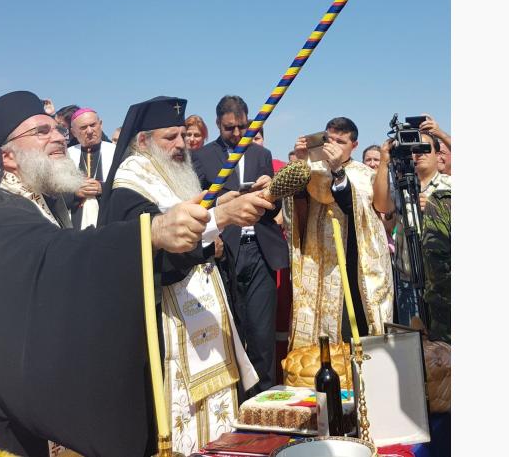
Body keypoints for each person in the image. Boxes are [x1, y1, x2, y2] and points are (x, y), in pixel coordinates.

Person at [0, 91, 214, 457]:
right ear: (7, 156)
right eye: (42, 131)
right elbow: (57, 255)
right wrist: (150, 232)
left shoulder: (36, 200)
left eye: (57, 130)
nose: (59, 137)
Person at [98, 96, 274, 455]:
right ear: (143, 141)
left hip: (201, 318)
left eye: (182, 135)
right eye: (170, 137)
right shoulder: (130, 185)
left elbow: (193, 213)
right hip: (166, 330)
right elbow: (155, 250)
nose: (181, 144)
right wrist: (223, 218)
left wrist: (226, 203)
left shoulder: (169, 172)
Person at [192, 95, 283, 395]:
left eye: (242, 127)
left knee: (261, 333)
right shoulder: (202, 157)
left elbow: (273, 209)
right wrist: (221, 206)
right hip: (225, 252)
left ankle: (265, 400)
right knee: (231, 332)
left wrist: (271, 191)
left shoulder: (262, 154)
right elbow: (199, 204)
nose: (236, 133)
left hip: (260, 251)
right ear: (218, 124)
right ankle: (237, 401)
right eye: (229, 128)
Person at [285, 116, 395, 344]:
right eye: (329, 140)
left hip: (356, 262)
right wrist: (300, 162)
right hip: (319, 262)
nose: (332, 146)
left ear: (354, 145)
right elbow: (295, 207)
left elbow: (356, 208)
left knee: (357, 327)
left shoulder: (365, 174)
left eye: (341, 142)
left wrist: (337, 170)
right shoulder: (312, 169)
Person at [373, 114, 452, 341]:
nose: (418, 154)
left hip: (444, 282)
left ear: (438, 155)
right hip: (408, 280)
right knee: (415, 347)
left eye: (424, 149)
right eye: (413, 150)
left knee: (445, 348)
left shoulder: (450, 185)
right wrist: (384, 160)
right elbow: (381, 205)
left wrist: (438, 207)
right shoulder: (400, 187)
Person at [65, 107, 114, 229]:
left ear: (100, 124)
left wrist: (103, 188)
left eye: (93, 125)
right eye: (83, 128)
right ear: (73, 132)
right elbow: (55, 194)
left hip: (109, 220)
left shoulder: (116, 151)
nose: (90, 131)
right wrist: (74, 193)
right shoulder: (65, 155)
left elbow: (128, 187)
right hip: (74, 224)